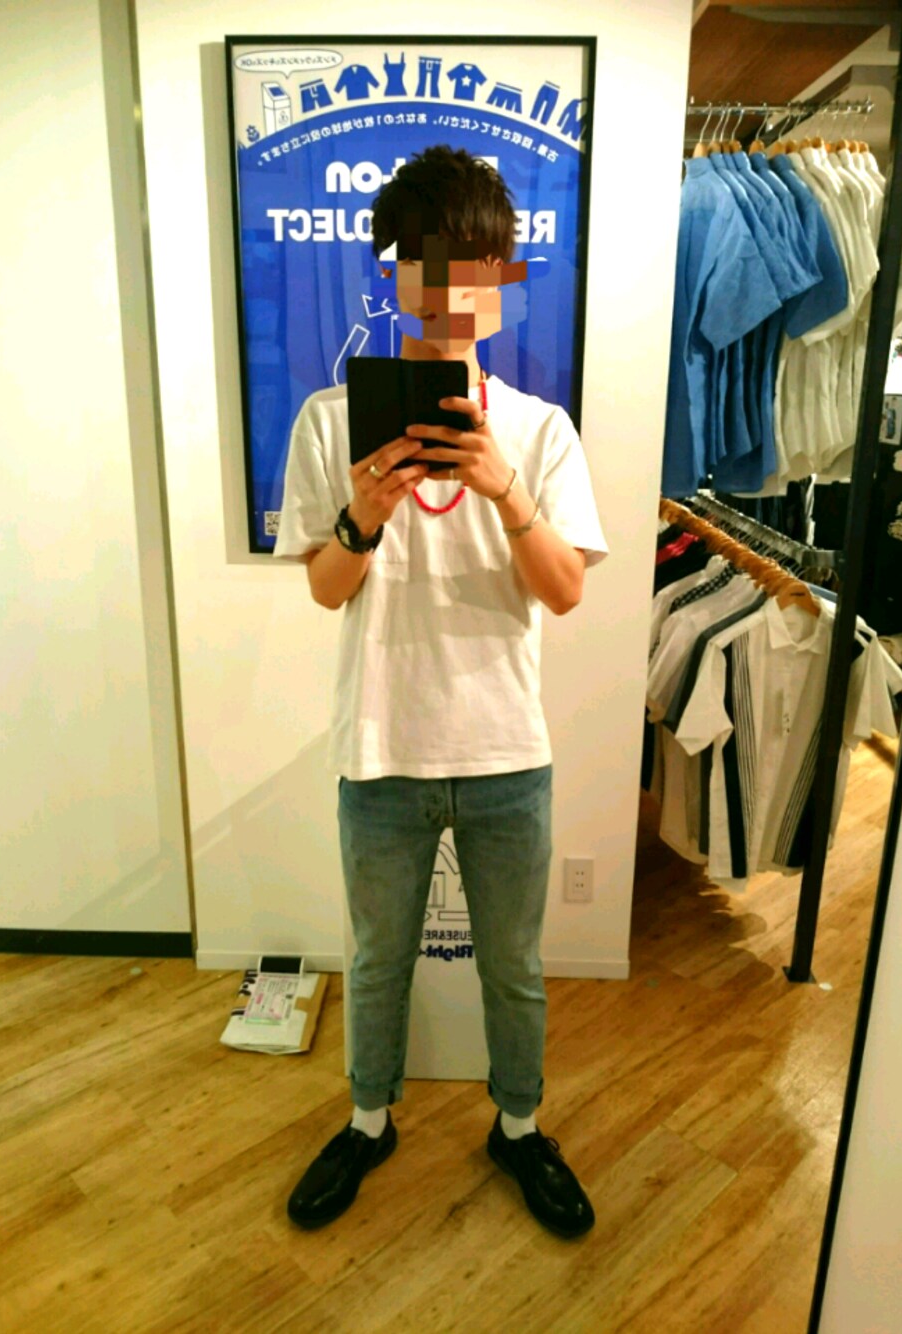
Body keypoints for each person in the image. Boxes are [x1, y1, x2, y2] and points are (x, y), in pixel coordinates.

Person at [274, 145, 608, 1239]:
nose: (453, 291)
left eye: (477, 266)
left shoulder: (540, 432)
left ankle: (519, 1125)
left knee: (513, 966)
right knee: (377, 960)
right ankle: (368, 1120)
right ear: (393, 274)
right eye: (428, 264)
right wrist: (363, 514)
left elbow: (564, 591)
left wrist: (504, 489)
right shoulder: (331, 421)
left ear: (503, 278)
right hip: (380, 746)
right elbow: (327, 589)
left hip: (506, 748)